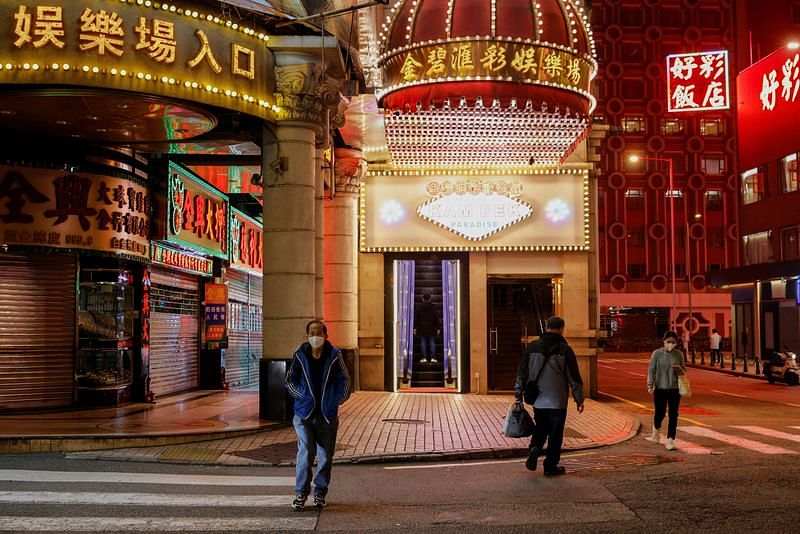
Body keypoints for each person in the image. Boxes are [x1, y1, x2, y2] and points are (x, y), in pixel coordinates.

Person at [285, 320, 351, 510]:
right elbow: (290, 381)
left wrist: (335, 401)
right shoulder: (300, 355)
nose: (316, 336)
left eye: (319, 332)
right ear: (307, 336)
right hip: (304, 415)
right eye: (312, 333)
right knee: (305, 454)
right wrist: (302, 397)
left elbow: (345, 381)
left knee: (325, 457)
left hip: (326, 416)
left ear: (326, 335)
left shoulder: (334, 355)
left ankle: (320, 492)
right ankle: (301, 494)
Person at [514, 316, 584, 476]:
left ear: (546, 327)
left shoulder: (532, 347)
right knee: (555, 434)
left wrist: (518, 393)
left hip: (538, 399)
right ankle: (550, 466)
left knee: (541, 428)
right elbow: (574, 377)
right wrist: (579, 398)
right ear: (561, 329)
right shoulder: (565, 349)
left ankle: (534, 448)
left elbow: (522, 373)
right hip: (558, 400)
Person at [646, 331, 686, 451]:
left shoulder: (678, 354)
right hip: (660, 389)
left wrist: (679, 369)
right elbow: (651, 370)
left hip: (675, 389)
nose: (670, 344)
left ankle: (670, 439)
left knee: (673, 414)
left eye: (673, 342)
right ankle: (656, 430)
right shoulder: (656, 354)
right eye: (668, 342)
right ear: (664, 341)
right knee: (660, 413)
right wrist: (650, 384)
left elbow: (684, 371)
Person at [414, 293, 440, 363]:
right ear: (430, 299)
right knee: (432, 342)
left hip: (422, 327)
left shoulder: (419, 307)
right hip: (432, 327)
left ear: (423, 299)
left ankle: (424, 358)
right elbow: (436, 318)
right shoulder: (433, 307)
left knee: (423, 342)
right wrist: (438, 328)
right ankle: (433, 358)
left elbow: (416, 318)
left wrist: (415, 328)